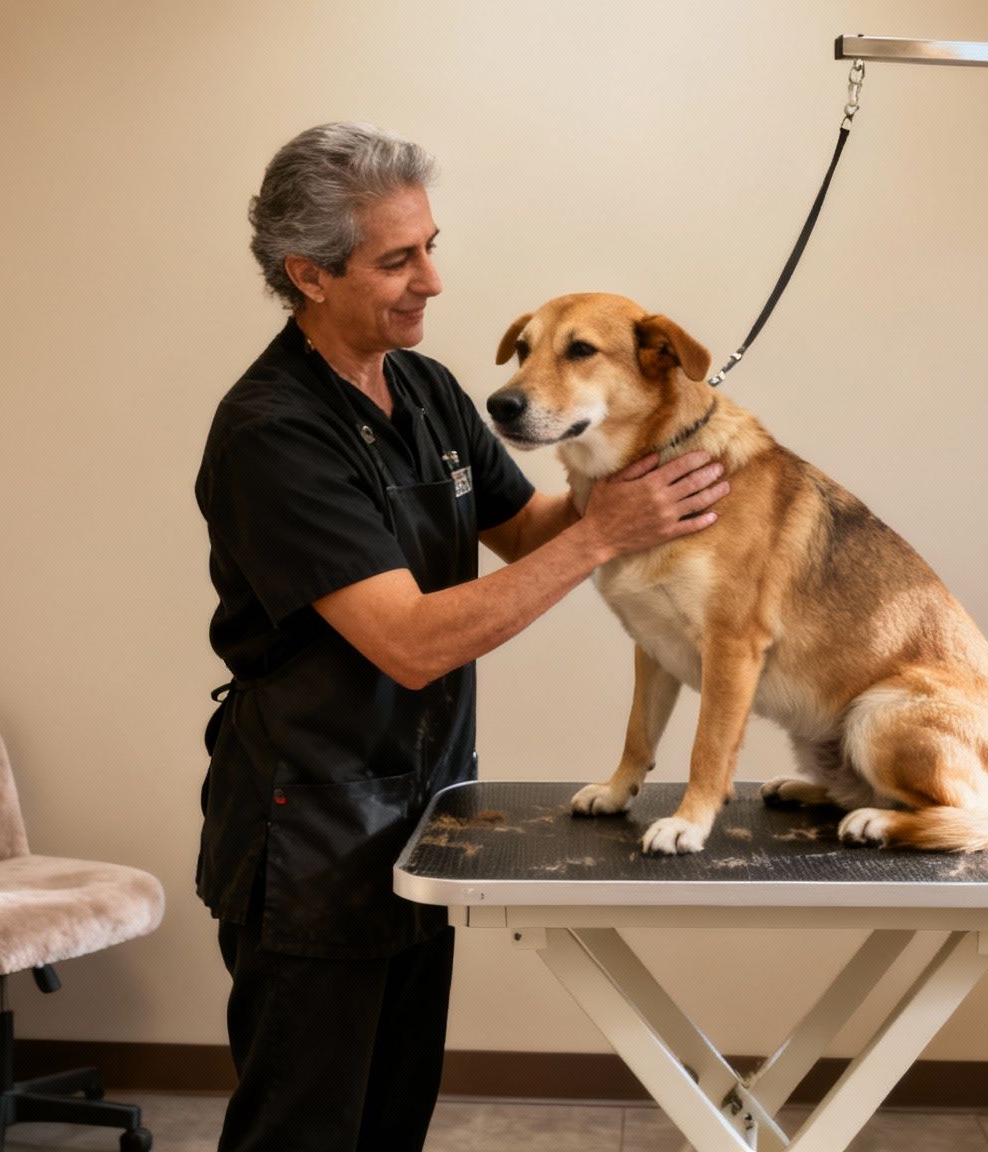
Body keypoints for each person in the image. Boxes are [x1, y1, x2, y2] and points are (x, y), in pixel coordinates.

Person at [194, 122, 729, 1152]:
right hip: (308, 832)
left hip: (420, 812)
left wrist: (627, 460)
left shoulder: (426, 388)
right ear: (308, 274)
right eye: (397, 259)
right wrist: (606, 537)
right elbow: (408, 642)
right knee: (304, 1131)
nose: (431, 281)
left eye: (429, 245)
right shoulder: (274, 432)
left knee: (392, 1120)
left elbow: (524, 530)